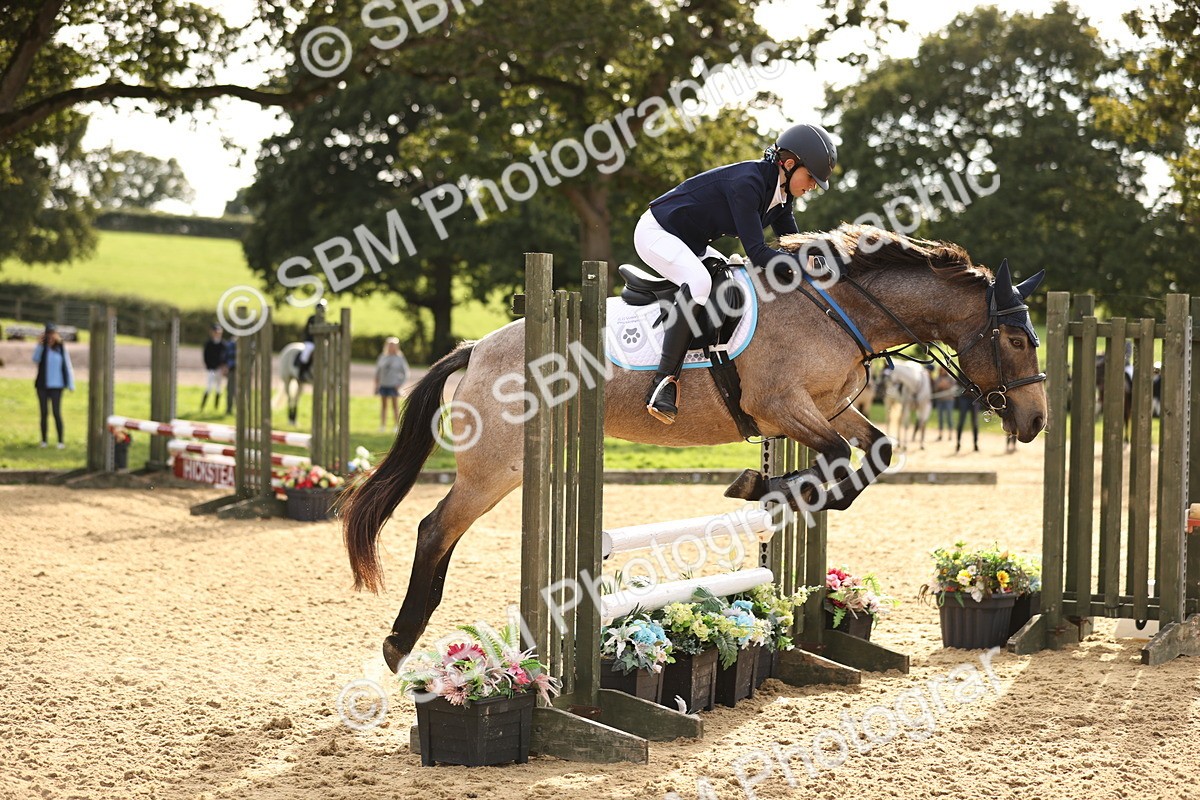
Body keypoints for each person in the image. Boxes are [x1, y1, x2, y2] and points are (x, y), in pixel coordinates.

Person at [635, 123, 838, 423]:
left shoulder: (781, 196)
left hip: (691, 243)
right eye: (810, 178)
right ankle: (663, 383)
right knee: (700, 281)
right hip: (657, 232)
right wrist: (803, 265)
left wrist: (827, 262)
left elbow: (794, 248)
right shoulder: (748, 183)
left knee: (733, 280)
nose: (812, 186)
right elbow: (757, 254)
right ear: (790, 164)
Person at [32, 323, 75, 449]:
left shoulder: (61, 347)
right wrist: (39, 345)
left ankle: (60, 441)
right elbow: (35, 359)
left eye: (52, 333)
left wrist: (71, 384)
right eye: (47, 334)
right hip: (42, 385)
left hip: (57, 385)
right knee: (44, 412)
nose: (50, 336)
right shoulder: (42, 347)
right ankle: (44, 441)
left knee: (56, 412)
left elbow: (67, 365)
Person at [375, 337, 410, 431]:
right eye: (390, 345)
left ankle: (397, 425)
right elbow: (378, 371)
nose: (391, 347)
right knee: (384, 406)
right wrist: (376, 384)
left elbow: (405, 373)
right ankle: (382, 425)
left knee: (395, 406)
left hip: (394, 385)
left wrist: (400, 384)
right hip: (383, 384)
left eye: (393, 345)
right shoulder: (382, 357)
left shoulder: (400, 358)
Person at [298, 298, 328, 382]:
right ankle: (302, 374)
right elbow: (308, 331)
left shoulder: (323, 319)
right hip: (310, 342)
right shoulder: (311, 319)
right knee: (305, 355)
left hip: (319, 343)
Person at [201, 324, 226, 411]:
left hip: (219, 369)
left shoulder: (223, 344)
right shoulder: (209, 344)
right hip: (211, 369)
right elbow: (206, 356)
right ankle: (202, 406)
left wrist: (223, 366)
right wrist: (209, 366)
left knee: (219, 388)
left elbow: (224, 357)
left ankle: (216, 407)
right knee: (209, 386)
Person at [954, 383, 980, 453]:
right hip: (964, 398)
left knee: (975, 422)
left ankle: (975, 444)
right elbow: (958, 383)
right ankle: (958, 443)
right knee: (961, 421)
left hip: (974, 398)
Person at [932, 367, 956, 441]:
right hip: (940, 400)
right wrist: (940, 386)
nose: (942, 371)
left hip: (949, 400)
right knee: (940, 418)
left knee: (949, 417)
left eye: (944, 370)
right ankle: (940, 435)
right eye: (941, 370)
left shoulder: (951, 378)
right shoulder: (937, 379)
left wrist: (946, 385)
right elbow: (935, 388)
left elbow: (954, 387)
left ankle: (950, 435)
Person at [223, 335, 237, 417]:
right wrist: (225, 366)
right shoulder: (230, 344)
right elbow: (226, 356)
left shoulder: (249, 344)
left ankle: (239, 410)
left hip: (243, 372)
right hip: (232, 370)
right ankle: (229, 409)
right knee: (230, 390)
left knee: (238, 392)